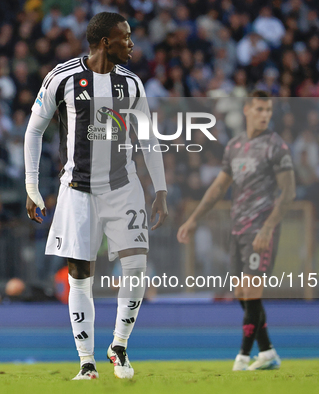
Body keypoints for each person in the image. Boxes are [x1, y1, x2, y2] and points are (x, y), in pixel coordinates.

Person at [24, 12, 168, 380]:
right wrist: (31, 185)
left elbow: (148, 140)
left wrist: (161, 190)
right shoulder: (63, 77)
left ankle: (118, 346)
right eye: (126, 37)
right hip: (78, 192)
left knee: (136, 268)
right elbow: (34, 130)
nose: (132, 43)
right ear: (106, 42)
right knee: (79, 275)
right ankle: (86, 362)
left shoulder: (132, 84)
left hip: (124, 187)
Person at [177, 90, 296, 371]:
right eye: (259, 110)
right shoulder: (234, 146)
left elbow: (288, 192)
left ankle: (242, 357)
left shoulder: (275, 146)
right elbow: (219, 186)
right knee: (242, 293)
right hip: (238, 229)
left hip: (261, 229)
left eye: (268, 110)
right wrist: (194, 218)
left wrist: (268, 228)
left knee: (253, 292)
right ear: (246, 110)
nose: (265, 115)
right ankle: (266, 352)